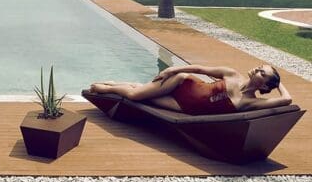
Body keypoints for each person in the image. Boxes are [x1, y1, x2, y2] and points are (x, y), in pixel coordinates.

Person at [90, 63, 292, 114]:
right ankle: (106, 89)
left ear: (264, 84)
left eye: (262, 73)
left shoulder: (251, 102)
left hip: (183, 107)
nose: (257, 69)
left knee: (140, 93)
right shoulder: (232, 74)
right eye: (260, 67)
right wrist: (173, 69)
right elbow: (199, 68)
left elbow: (287, 100)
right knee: (135, 95)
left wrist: (276, 80)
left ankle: (114, 84)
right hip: (182, 82)